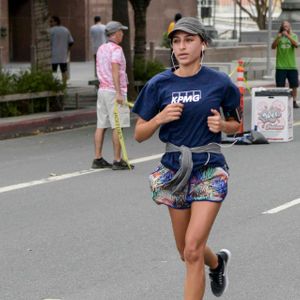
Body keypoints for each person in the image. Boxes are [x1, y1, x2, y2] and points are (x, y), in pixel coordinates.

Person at [132, 17, 241, 299]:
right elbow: (139, 134)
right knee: (185, 251)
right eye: (177, 41)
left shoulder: (220, 82)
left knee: (193, 248)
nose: (182, 47)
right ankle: (217, 263)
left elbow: (237, 124)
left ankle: (209, 262)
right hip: (174, 171)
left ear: (203, 44)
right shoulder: (159, 84)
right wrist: (159, 117)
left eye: (189, 40)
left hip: (209, 169)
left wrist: (223, 127)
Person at [91, 21, 133, 170]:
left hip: (102, 90)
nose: (123, 34)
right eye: (121, 32)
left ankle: (97, 158)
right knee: (118, 125)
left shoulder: (101, 48)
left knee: (101, 124)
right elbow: (115, 69)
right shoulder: (117, 49)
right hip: (113, 91)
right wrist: (118, 92)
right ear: (115, 33)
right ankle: (117, 160)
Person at [272, 21, 299, 108]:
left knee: (294, 85)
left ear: (290, 27)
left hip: (292, 66)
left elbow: (296, 45)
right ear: (282, 27)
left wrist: (288, 36)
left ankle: (294, 101)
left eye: (287, 26)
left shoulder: (294, 35)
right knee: (280, 86)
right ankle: (280, 101)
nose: (286, 27)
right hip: (280, 66)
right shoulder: (278, 36)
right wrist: (278, 38)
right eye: (284, 26)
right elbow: (273, 46)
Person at [49, 16, 74, 85]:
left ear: (56, 22)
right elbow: (71, 42)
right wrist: (67, 50)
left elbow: (48, 43)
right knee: (64, 70)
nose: (50, 23)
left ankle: (54, 84)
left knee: (54, 70)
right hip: (63, 54)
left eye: (51, 21)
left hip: (53, 54)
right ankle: (64, 84)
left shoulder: (50, 31)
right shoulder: (65, 30)